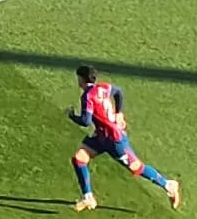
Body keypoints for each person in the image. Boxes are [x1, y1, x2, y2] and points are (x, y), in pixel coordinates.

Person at [67, 65, 182, 212]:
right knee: (79, 159)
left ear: (81, 79)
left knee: (136, 167)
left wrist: (72, 116)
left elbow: (85, 121)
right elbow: (118, 92)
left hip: (114, 139)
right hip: (101, 136)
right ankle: (88, 196)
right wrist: (119, 112)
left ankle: (168, 185)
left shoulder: (88, 96)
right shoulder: (103, 87)